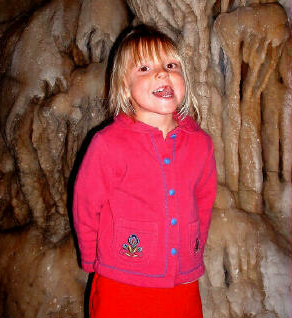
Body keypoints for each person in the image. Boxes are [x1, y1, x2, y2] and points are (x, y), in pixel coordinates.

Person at [73, 25, 217, 317]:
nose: (162, 73)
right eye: (144, 67)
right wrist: (90, 257)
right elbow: (86, 205)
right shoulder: (109, 143)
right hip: (121, 281)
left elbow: (204, 202)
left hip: (182, 283)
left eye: (171, 65)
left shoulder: (200, 144)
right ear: (125, 86)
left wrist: (194, 255)